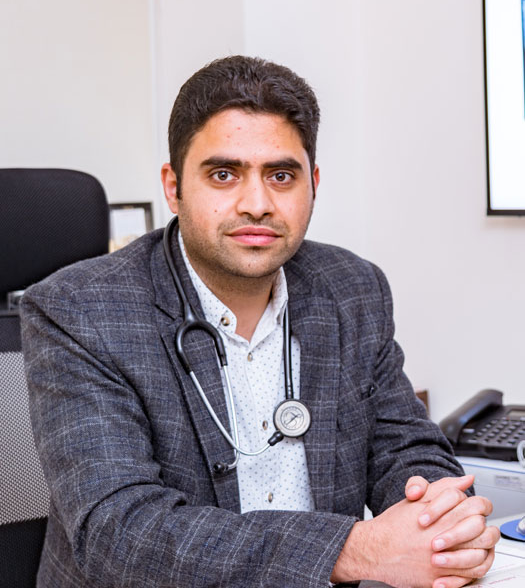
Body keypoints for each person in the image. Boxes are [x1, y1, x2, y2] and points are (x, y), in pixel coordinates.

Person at [20, 56, 499, 588]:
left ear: (313, 184)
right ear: (174, 187)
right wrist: (355, 550)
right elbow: (121, 532)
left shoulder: (352, 288)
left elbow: (405, 447)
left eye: (281, 175)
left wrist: (442, 521)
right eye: (224, 174)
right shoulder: (79, 311)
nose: (257, 204)